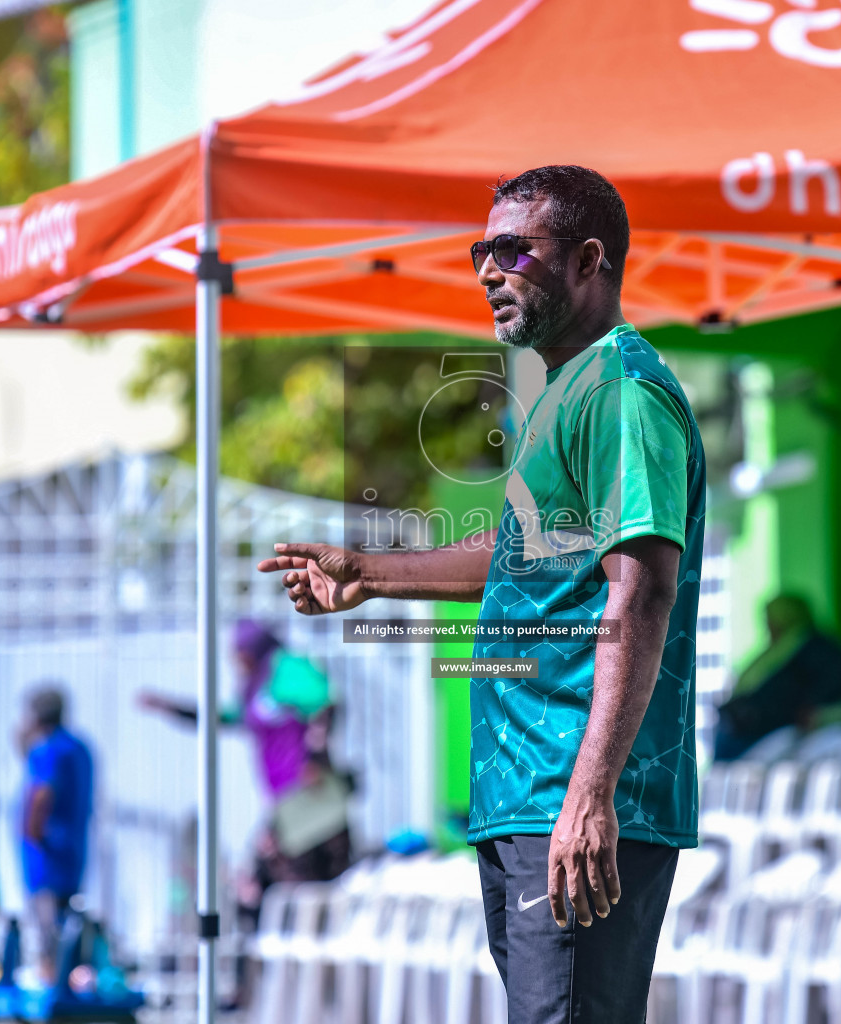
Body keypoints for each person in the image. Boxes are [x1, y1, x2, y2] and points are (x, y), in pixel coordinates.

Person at [257, 165, 704, 1023]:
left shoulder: (623, 390)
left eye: (512, 249)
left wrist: (591, 791)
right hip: (525, 796)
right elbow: (516, 555)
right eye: (479, 251)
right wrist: (368, 571)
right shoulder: (566, 391)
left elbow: (642, 596)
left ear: (588, 260)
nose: (488, 271)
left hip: (570, 794)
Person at [138, 620, 351, 900]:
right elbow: (224, 718)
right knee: (278, 882)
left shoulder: (285, 667)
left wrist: (314, 754)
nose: (236, 660)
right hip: (283, 799)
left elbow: (327, 702)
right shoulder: (255, 685)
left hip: (309, 798)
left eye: (239, 651)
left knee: (273, 876)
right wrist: (171, 708)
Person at [713, 594, 841, 760]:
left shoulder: (814, 646)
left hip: (772, 727)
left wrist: (812, 706)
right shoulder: (779, 648)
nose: (769, 626)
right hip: (742, 727)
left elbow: (839, 675)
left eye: (773, 619)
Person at [17, 685, 94, 984]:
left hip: (47, 862)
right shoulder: (78, 747)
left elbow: (41, 793)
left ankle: (56, 990)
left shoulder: (49, 749)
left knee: (50, 942)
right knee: (68, 932)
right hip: (70, 856)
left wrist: (32, 831)